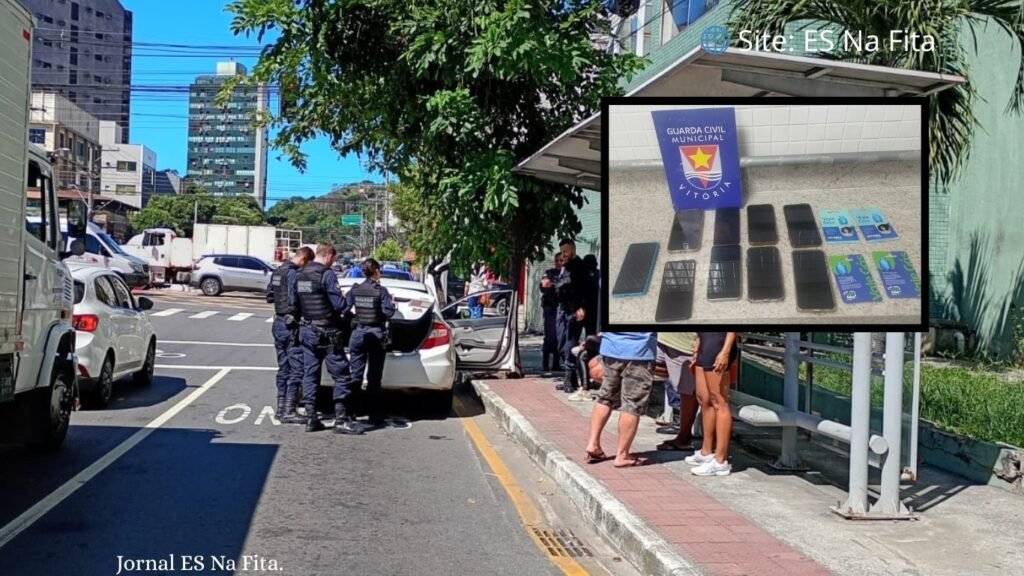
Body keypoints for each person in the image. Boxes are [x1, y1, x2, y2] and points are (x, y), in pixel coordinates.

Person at [296, 243, 360, 434]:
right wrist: (350, 297)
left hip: (307, 331)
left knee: (310, 375)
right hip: (327, 333)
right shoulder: (327, 274)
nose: (334, 263)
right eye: (334, 259)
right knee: (342, 375)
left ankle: (311, 418)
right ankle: (340, 420)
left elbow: (294, 302)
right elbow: (340, 305)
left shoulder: (301, 274)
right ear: (330, 256)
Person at [584, 332, 657, 467]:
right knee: (632, 403)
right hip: (639, 350)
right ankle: (622, 455)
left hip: (611, 347)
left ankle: (593, 443)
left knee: (605, 396)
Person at [346, 258, 397, 428]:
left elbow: (345, 308)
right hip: (375, 334)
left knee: (356, 375)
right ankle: (374, 415)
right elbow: (388, 312)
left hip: (358, 333)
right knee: (374, 377)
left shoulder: (355, 289)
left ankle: (351, 412)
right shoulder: (381, 291)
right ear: (376, 272)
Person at [266, 246, 314, 424]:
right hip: (290, 324)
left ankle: (280, 409)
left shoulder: (277, 272)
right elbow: (294, 300)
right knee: (297, 368)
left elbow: (270, 295)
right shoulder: (293, 274)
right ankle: (289, 410)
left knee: (283, 367)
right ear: (303, 260)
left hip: (278, 322)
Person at [687, 332, 739, 476]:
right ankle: (706, 451)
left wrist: (725, 351)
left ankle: (721, 461)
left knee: (719, 402)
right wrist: (698, 343)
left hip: (719, 344)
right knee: (704, 399)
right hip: (706, 341)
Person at [654, 332, 701, 452]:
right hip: (660, 339)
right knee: (639, 366)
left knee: (688, 392)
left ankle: (684, 438)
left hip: (685, 345)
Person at [555, 239, 590, 393]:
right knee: (562, 343)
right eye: (562, 251)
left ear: (573, 249)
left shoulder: (579, 267)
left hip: (574, 311)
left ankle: (569, 378)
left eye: (566, 251)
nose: (563, 254)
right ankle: (572, 378)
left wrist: (581, 307)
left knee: (570, 344)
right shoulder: (566, 267)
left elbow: (584, 290)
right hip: (563, 309)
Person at [539, 254, 563, 372]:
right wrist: (552, 284)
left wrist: (555, 285)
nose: (559, 262)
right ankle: (545, 363)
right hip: (549, 308)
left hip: (561, 307)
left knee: (559, 336)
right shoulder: (550, 273)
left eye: (561, 260)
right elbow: (544, 286)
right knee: (550, 336)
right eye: (557, 260)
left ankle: (556, 364)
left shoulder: (566, 273)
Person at [582, 254, 600, 338]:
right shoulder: (598, 274)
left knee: (590, 329)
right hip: (591, 306)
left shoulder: (597, 274)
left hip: (592, 306)